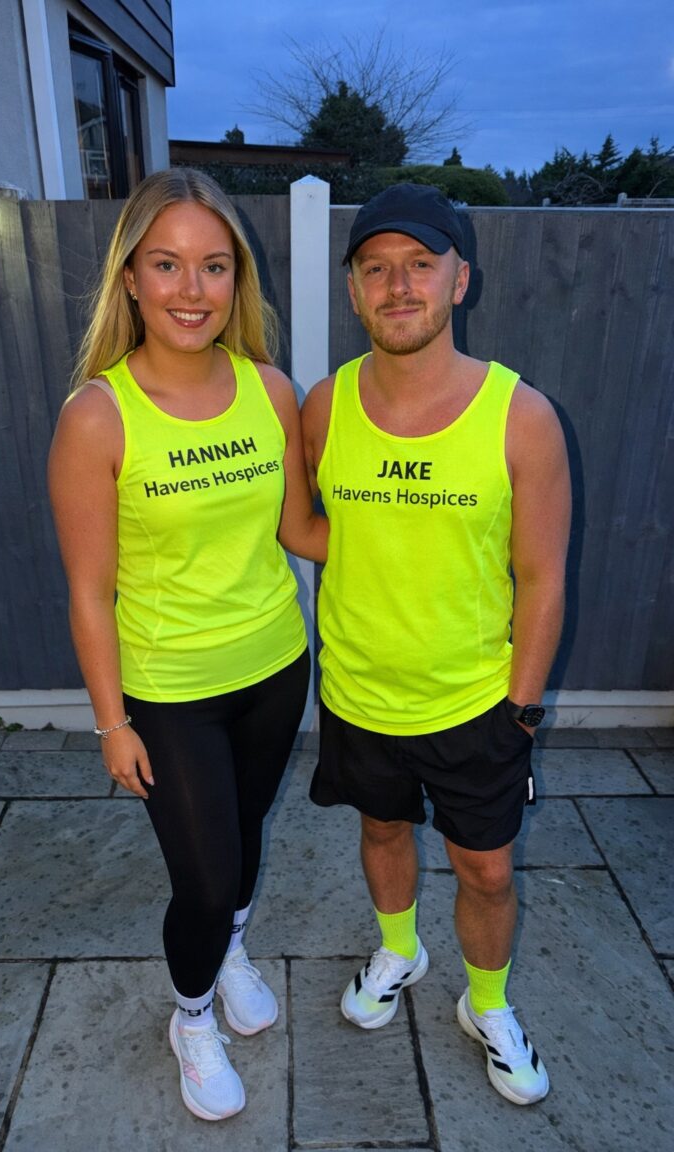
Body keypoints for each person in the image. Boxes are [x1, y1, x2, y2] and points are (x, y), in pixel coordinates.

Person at [48, 168, 326, 1122]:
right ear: (130, 277)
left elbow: (301, 530)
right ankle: (192, 1014)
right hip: (169, 690)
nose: (191, 289)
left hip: (276, 666)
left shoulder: (271, 390)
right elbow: (90, 592)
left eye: (213, 266)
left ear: (236, 281)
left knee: (244, 839)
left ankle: (232, 950)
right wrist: (108, 723)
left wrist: (416, 532)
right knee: (202, 879)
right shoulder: (97, 417)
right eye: (166, 264)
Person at [302, 183, 571, 1106]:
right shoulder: (325, 406)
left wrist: (522, 709)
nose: (398, 285)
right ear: (353, 292)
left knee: (486, 869)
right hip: (359, 693)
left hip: (475, 701)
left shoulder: (521, 416)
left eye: (420, 264)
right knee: (381, 830)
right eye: (375, 268)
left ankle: (487, 1005)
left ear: (462, 280)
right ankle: (400, 951)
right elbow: (311, 523)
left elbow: (541, 576)